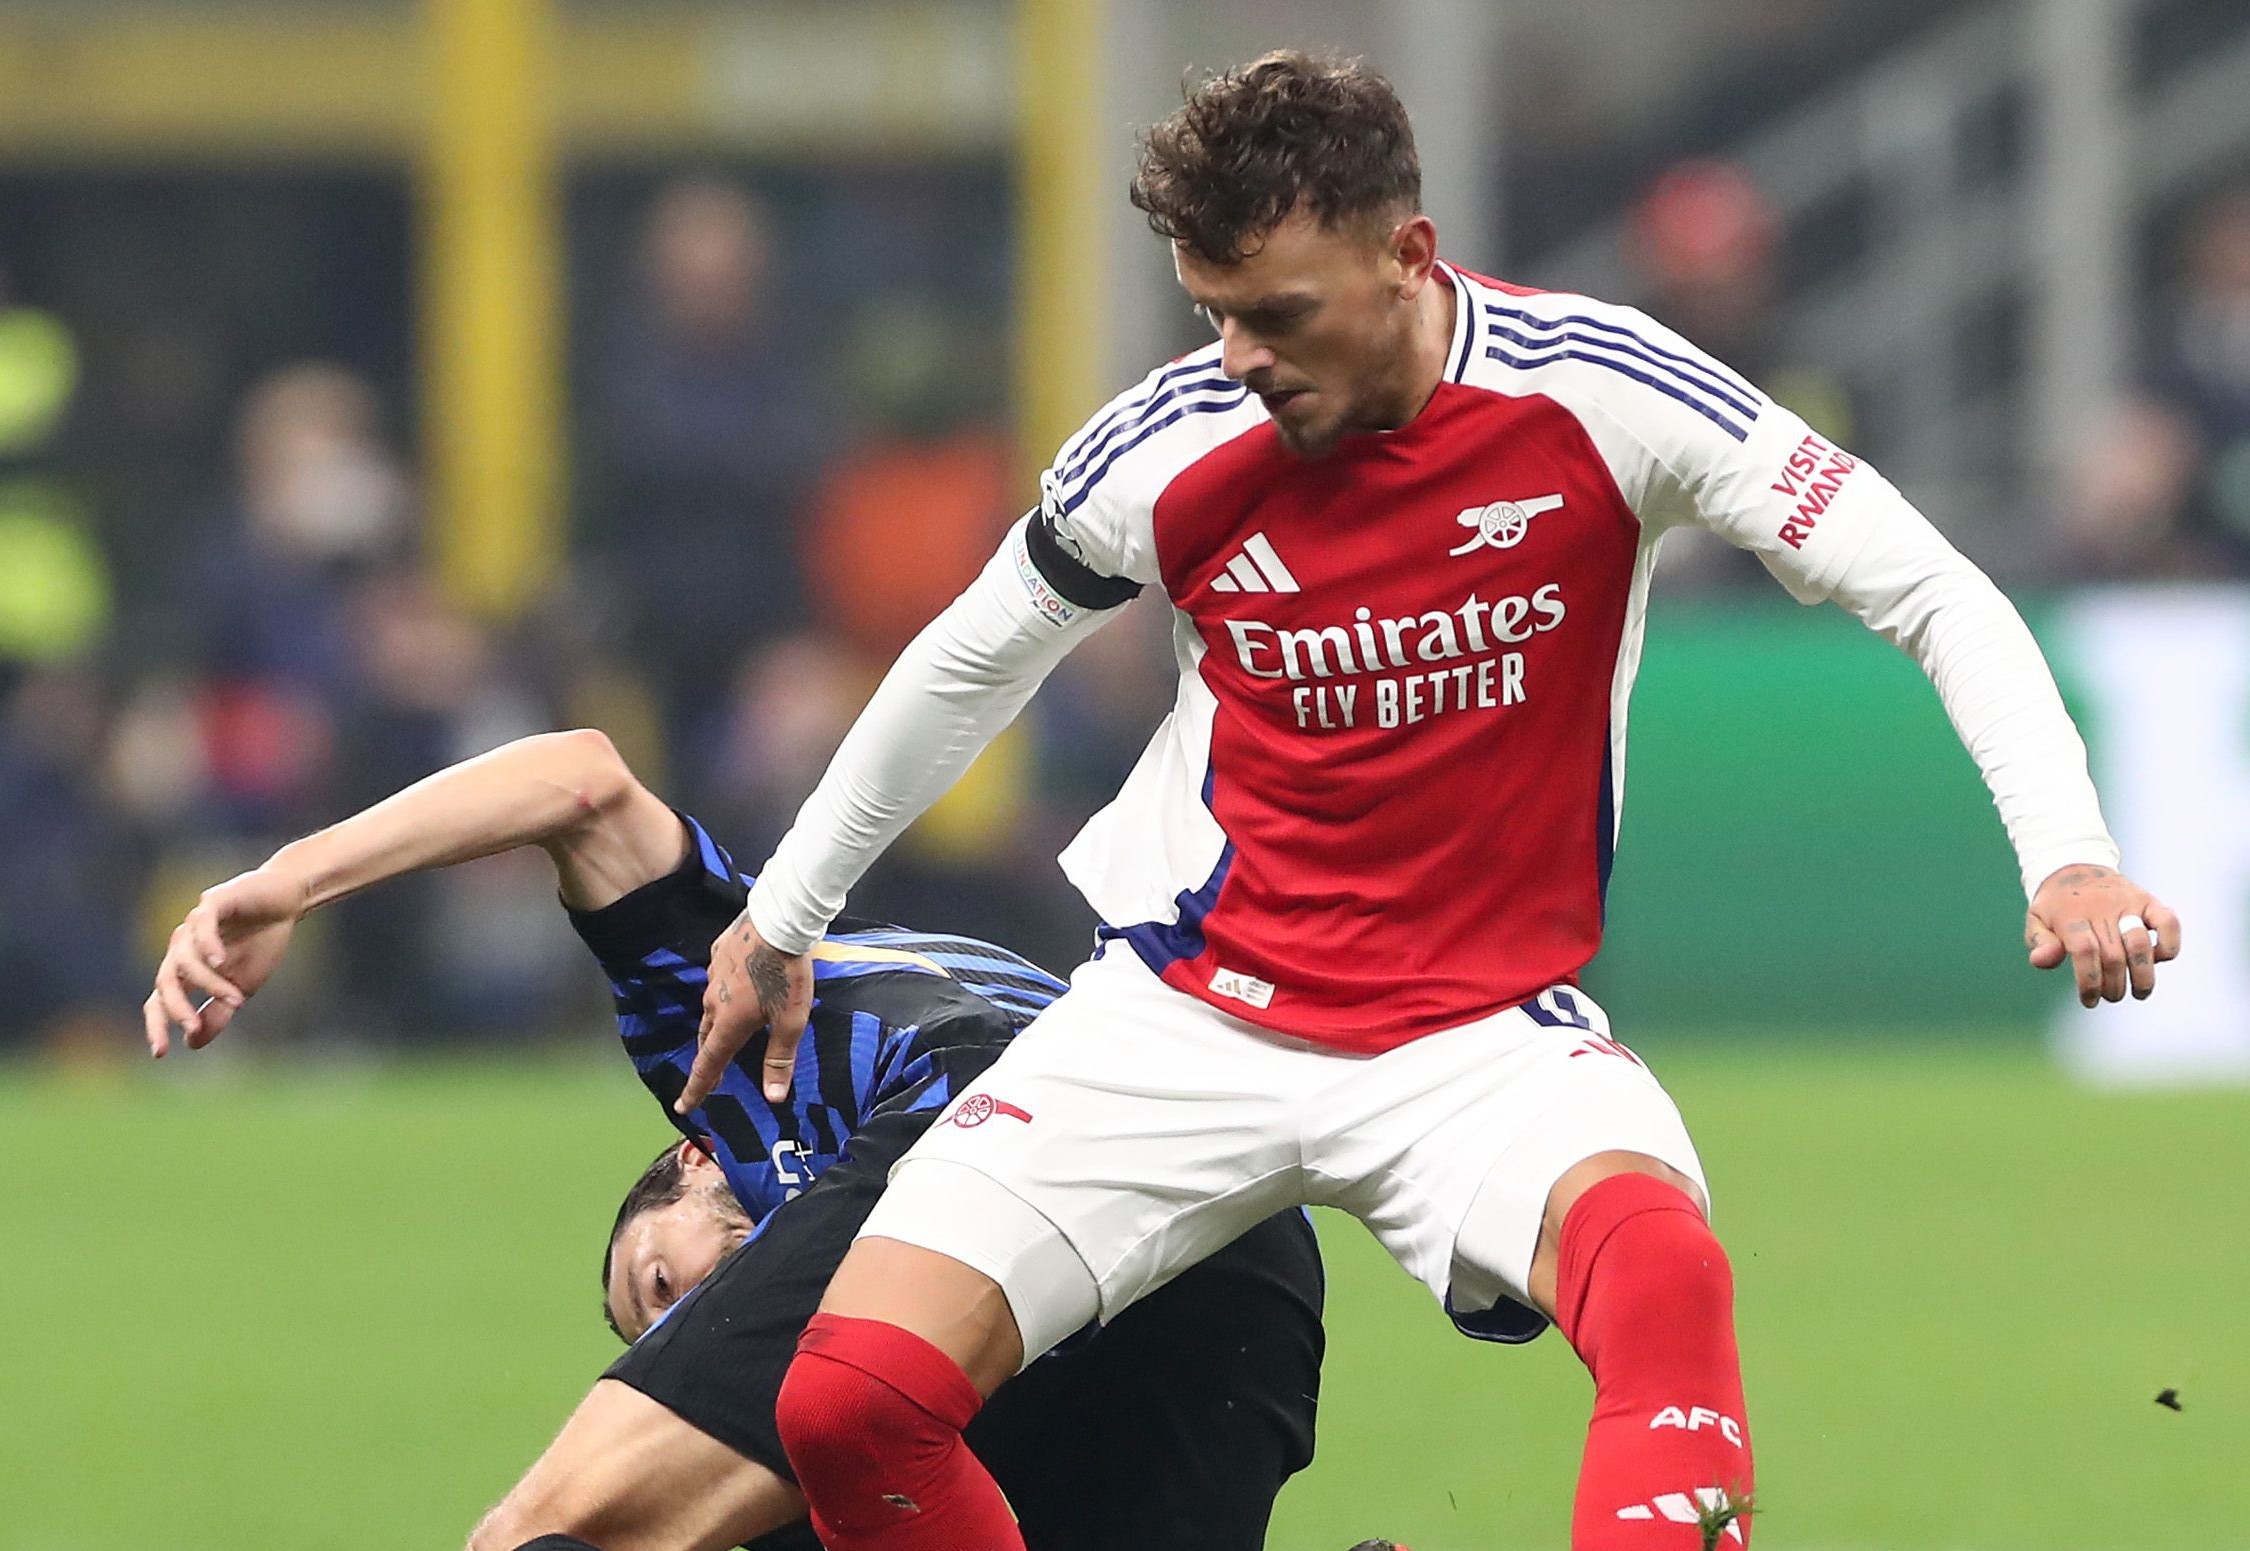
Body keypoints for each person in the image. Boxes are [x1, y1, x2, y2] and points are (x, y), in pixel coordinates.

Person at [686, 52, 2183, 1551]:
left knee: (1660, 1267)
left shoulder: (1600, 388)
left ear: (1408, 258)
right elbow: (968, 657)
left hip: (1470, 1033)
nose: (1240, 358)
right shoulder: (1166, 444)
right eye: (1212, 314)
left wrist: (2066, 854)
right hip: (1182, 1013)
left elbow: (1926, 584)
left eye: (1277, 314)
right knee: (848, 1405)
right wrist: (782, 914)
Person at [143, 728, 1324, 1551]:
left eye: (661, 1284)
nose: (681, 1330)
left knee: (555, 1533)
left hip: (1000, 1120)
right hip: (1231, 1256)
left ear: (695, 1158)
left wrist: (291, 880)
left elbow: (578, 780)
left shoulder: (706, 1052)